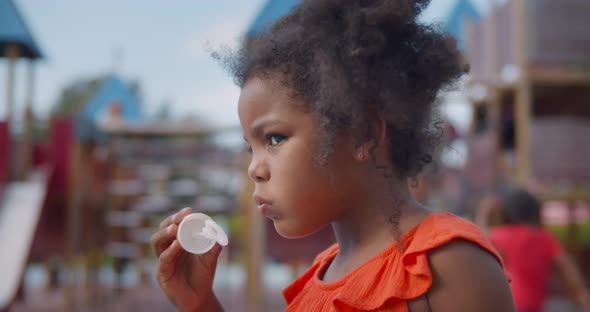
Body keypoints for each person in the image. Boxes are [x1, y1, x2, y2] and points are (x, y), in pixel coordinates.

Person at [150, 0, 515, 311]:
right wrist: (200, 304)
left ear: (364, 131)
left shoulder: (447, 263)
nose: (255, 169)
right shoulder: (315, 283)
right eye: (251, 147)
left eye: (274, 138)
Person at [477, 189, 590, 312]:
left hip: (511, 304)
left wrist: (485, 212)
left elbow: (478, 236)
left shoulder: (503, 235)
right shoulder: (545, 238)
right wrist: (580, 293)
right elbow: (567, 268)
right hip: (535, 306)